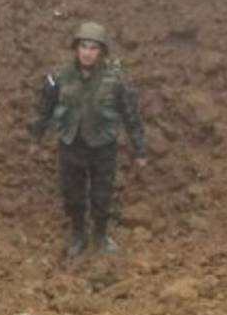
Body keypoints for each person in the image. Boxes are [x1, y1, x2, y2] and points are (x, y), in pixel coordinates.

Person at [30, 21, 146, 258]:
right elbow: (44, 109)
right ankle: (77, 233)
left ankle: (100, 234)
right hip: (70, 143)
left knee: (102, 194)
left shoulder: (115, 80)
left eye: (93, 48)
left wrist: (139, 149)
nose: (87, 53)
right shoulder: (59, 77)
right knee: (72, 192)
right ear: (76, 48)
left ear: (101, 51)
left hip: (102, 146)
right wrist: (36, 138)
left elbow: (130, 115)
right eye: (83, 46)